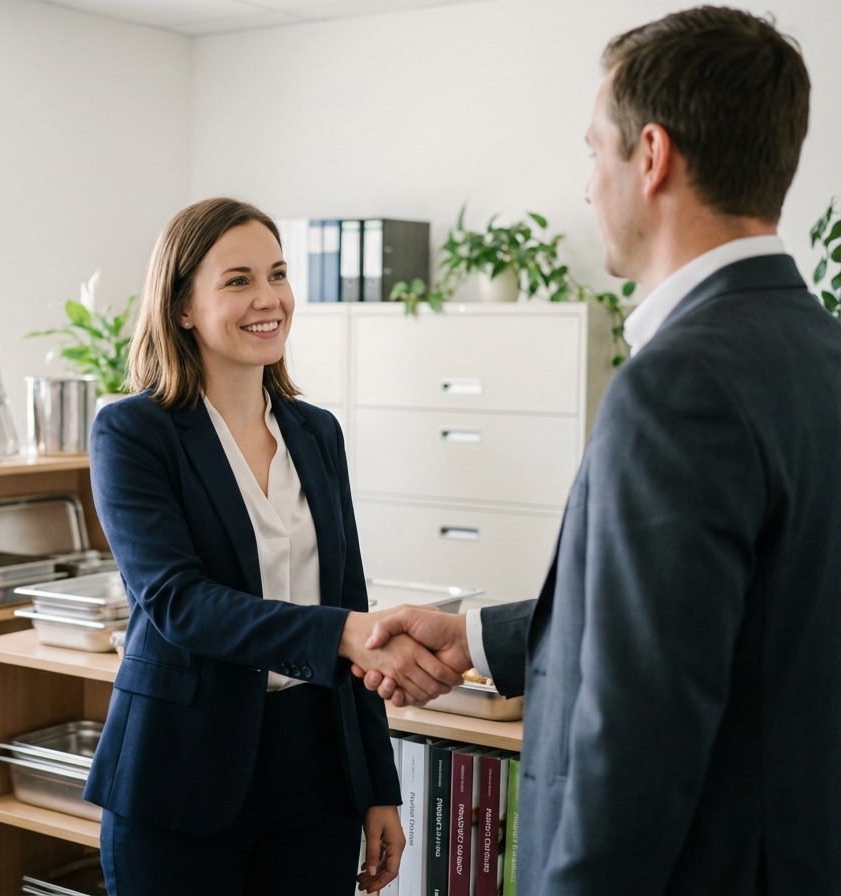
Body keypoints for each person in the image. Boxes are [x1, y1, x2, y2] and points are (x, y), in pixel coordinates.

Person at [355, 7, 841, 895]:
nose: (586, 187)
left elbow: (637, 741)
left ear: (651, 157)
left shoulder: (679, 385)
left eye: (594, 151)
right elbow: (729, 618)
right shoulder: (821, 352)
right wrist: (474, 636)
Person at [85, 197, 460, 895]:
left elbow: (349, 599)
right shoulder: (134, 433)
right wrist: (346, 633)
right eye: (238, 281)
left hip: (315, 769)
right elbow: (179, 603)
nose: (269, 299)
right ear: (182, 308)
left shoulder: (316, 433)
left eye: (278, 274)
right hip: (182, 770)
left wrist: (378, 784)